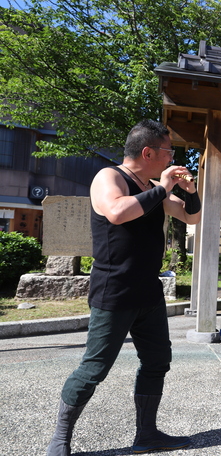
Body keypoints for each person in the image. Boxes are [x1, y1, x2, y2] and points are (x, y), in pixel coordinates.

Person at [47, 120, 201, 455]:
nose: (173, 156)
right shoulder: (109, 177)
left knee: (158, 360)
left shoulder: (152, 187)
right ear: (148, 152)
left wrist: (190, 193)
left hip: (148, 290)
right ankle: (59, 440)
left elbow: (190, 218)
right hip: (114, 291)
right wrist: (162, 188)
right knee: (94, 368)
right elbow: (116, 212)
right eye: (168, 150)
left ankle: (146, 434)